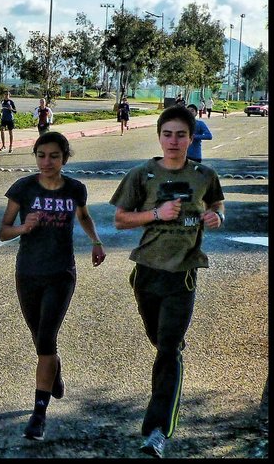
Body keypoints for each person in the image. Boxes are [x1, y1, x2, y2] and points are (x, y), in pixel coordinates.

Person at [109, 105, 225, 458]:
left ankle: (156, 430)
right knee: (159, 341)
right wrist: (156, 213)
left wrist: (216, 216)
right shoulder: (141, 175)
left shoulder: (204, 175)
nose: (174, 141)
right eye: (167, 134)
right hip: (146, 272)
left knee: (169, 350)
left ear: (192, 139)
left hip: (183, 275)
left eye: (181, 135)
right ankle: (170, 355)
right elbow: (120, 220)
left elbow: (218, 204)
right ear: (159, 136)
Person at [0, 131, 106, 442]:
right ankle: (54, 371)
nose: (47, 162)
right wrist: (23, 227)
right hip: (28, 273)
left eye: (54, 156)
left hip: (61, 273)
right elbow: (3, 231)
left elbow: (83, 217)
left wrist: (96, 242)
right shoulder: (23, 188)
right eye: (41, 155)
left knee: (47, 337)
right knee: (40, 340)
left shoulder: (75, 189)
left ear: (64, 159)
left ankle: (38, 414)